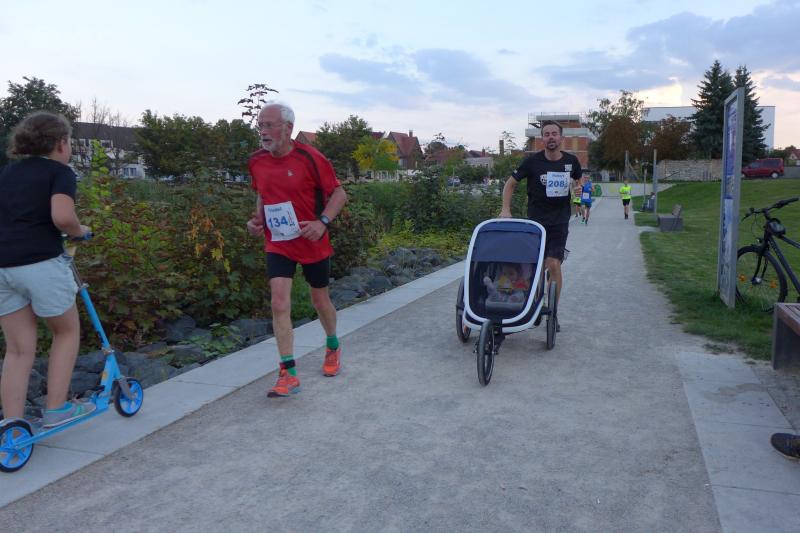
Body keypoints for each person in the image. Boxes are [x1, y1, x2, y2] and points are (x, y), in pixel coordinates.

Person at [246, 102, 347, 398]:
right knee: (279, 303)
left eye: (269, 125)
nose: (263, 131)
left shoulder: (310, 158)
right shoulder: (256, 161)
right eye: (260, 125)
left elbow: (339, 193)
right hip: (278, 242)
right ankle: (288, 373)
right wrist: (257, 220)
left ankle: (332, 345)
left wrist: (322, 222)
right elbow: (263, 194)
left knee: (320, 299)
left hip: (312, 240)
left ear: (288, 128)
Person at [0, 111, 94, 428]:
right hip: (40, 262)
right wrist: (80, 231)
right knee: (65, 331)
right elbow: (63, 217)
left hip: (2, 266)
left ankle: (13, 425)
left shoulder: (6, 173)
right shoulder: (59, 172)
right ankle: (56, 409)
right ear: (61, 143)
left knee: (17, 350)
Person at [499, 120, 582, 314]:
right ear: (542, 139)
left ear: (561, 138)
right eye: (547, 134)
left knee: (553, 264)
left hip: (560, 220)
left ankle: (552, 312)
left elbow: (579, 180)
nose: (551, 137)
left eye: (554, 134)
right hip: (535, 222)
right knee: (534, 265)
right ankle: (530, 301)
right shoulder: (532, 162)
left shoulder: (571, 161)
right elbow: (510, 184)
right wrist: (505, 209)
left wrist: (579, 189)